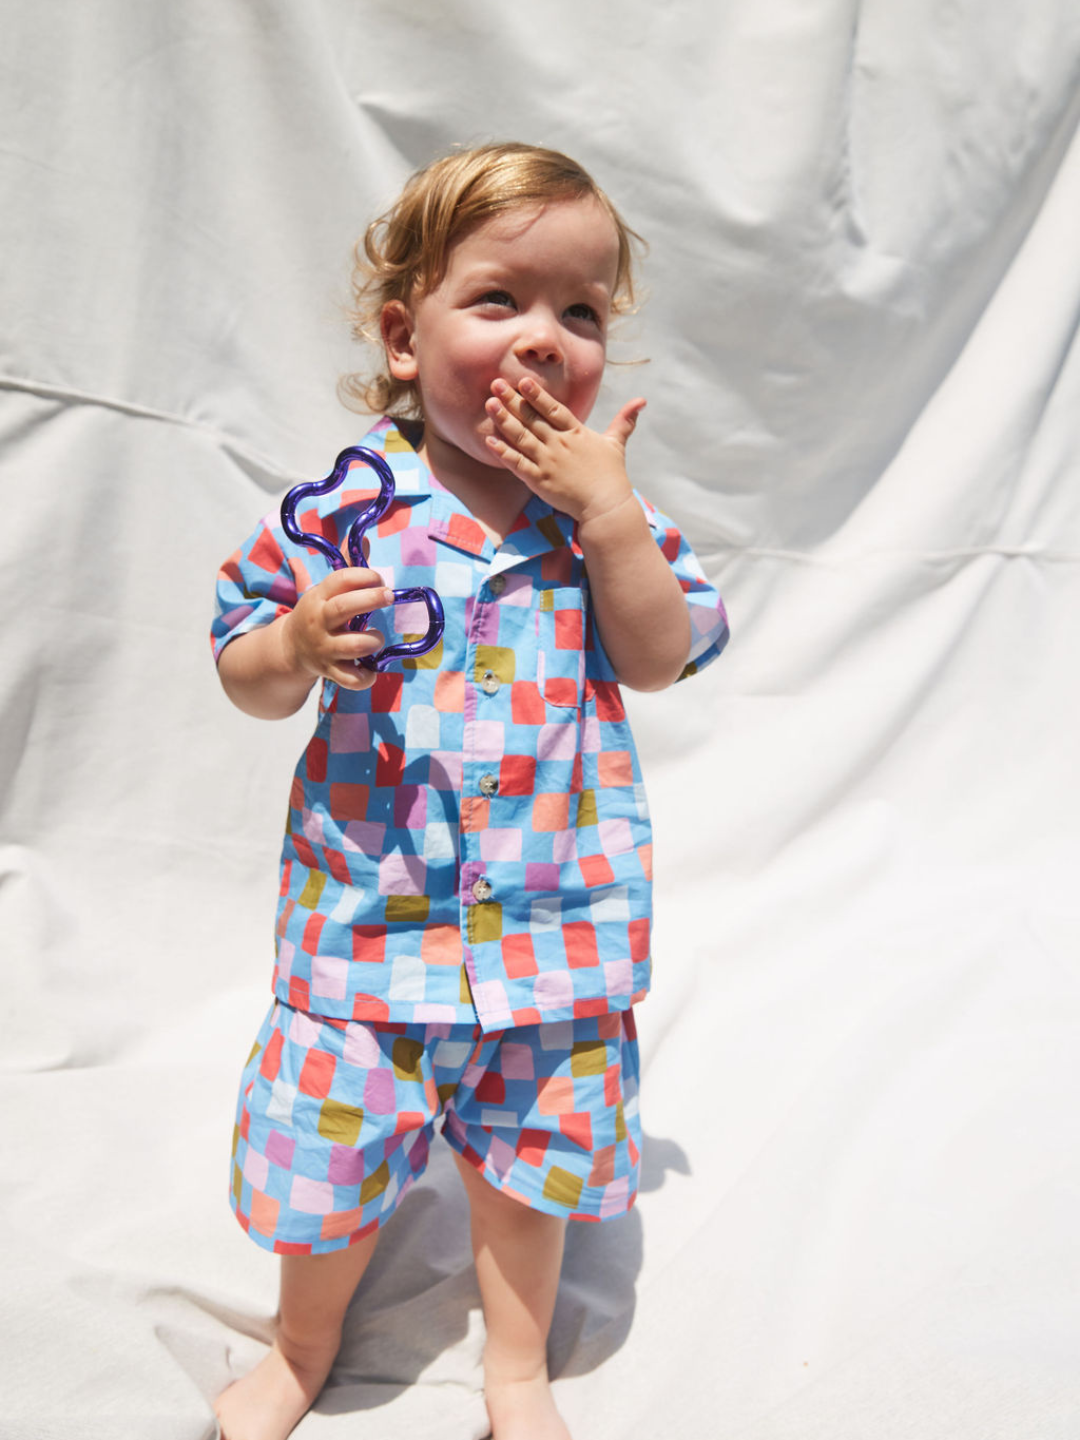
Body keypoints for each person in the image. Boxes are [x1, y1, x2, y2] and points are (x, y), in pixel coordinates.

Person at [210, 141, 729, 1440]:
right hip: (367, 939)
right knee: (329, 1172)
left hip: (554, 942)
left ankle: (515, 1371)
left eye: (583, 311)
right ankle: (302, 1347)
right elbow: (241, 668)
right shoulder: (342, 513)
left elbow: (661, 659)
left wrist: (610, 519)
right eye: (500, 299)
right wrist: (294, 644)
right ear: (403, 335)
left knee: (526, 1174)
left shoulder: (600, 514)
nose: (546, 338)